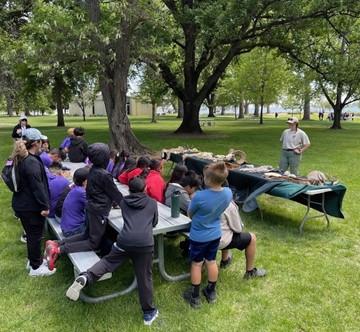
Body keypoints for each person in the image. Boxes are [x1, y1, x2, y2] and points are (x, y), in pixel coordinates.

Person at [65, 177, 159, 326]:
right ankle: (148, 313)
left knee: (108, 261)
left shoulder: (124, 203)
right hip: (144, 245)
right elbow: (154, 222)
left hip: (124, 240)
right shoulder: (152, 203)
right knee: (144, 276)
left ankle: (87, 277)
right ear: (145, 189)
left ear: (129, 189)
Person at [45, 143, 124, 270]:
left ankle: (56, 243)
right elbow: (116, 194)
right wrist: (128, 207)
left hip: (90, 209)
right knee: (93, 242)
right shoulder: (105, 175)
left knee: (86, 234)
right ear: (104, 158)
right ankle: (59, 250)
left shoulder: (91, 170)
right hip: (99, 212)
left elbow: (101, 191)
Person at [183, 162, 232, 308]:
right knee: (211, 261)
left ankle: (195, 296)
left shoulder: (199, 196)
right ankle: (211, 292)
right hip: (215, 233)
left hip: (199, 236)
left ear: (208, 180)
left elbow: (190, 213)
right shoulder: (228, 193)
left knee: (197, 264)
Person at [11, 128, 55, 277]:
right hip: (30, 206)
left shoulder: (23, 158)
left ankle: (33, 260)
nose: (43, 143)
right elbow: (38, 187)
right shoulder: (30, 162)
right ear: (36, 143)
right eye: (41, 141)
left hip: (23, 204)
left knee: (32, 235)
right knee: (35, 235)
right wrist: (45, 206)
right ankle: (36, 268)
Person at [218, 201, 266, 278]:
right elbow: (238, 229)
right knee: (252, 238)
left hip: (200, 238)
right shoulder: (228, 204)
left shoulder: (200, 198)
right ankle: (250, 272)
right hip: (218, 240)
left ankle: (225, 260)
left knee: (225, 228)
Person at [60, 167, 89, 237]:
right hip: (72, 231)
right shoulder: (82, 192)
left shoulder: (75, 188)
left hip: (66, 227)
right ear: (85, 181)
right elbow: (96, 205)